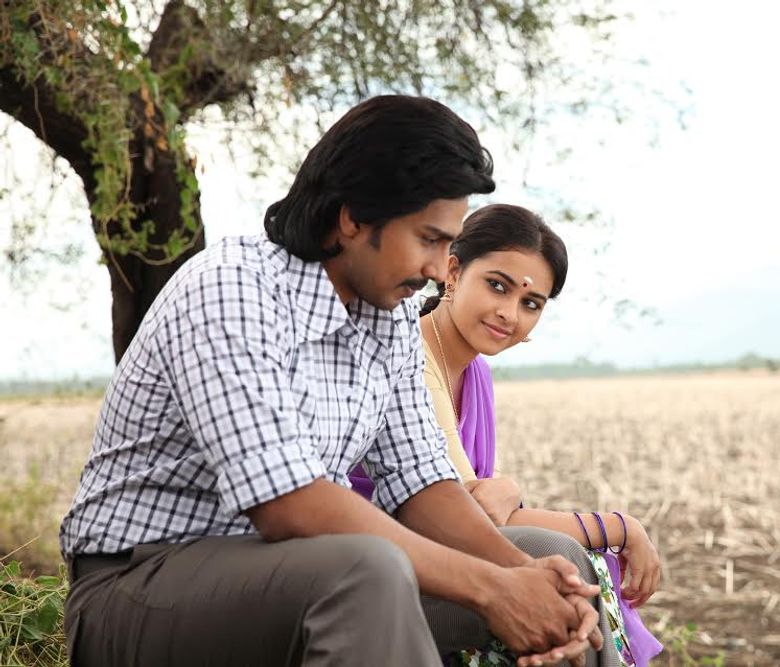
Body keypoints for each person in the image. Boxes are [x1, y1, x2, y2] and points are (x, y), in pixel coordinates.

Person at [59, 96, 613, 667]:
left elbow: (421, 481)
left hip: (299, 577)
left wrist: (522, 575)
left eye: (448, 244)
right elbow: (287, 504)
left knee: (551, 559)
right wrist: (492, 588)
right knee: (366, 570)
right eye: (428, 239)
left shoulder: (389, 315)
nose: (436, 268)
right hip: (140, 586)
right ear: (353, 219)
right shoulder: (233, 288)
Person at [350, 204, 665, 666]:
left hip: (444, 564)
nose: (508, 314)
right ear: (452, 272)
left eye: (530, 303)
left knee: (563, 569)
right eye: (497, 286)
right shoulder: (411, 356)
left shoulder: (475, 373)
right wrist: (618, 527)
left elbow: (487, 507)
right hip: (383, 569)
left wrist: (506, 491)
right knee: (562, 559)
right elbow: (468, 516)